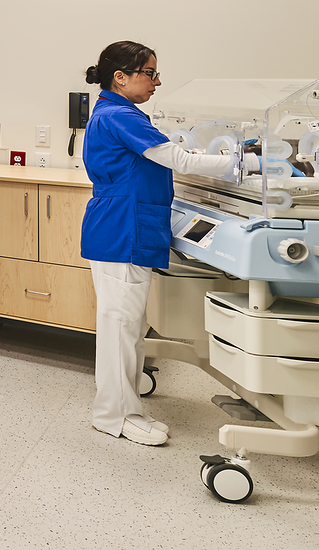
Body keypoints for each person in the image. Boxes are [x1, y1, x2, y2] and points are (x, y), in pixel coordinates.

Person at [80, 41, 259, 446]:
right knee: (119, 329)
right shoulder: (118, 115)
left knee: (126, 328)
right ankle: (113, 416)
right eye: (150, 73)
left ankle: (126, 410)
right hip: (120, 229)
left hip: (123, 226)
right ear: (120, 77)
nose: (157, 82)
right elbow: (181, 160)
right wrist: (244, 162)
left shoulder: (117, 113)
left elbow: (171, 157)